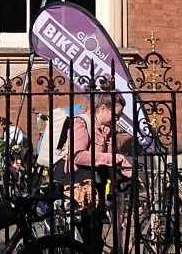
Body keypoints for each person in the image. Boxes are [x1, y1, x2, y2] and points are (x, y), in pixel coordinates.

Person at [63, 91, 133, 252]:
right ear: (102, 108)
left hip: (98, 185)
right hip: (81, 186)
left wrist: (131, 174)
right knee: (87, 234)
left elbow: (117, 156)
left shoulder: (107, 130)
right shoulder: (81, 124)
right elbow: (78, 155)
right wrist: (110, 158)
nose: (118, 119)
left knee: (96, 234)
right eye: (116, 115)